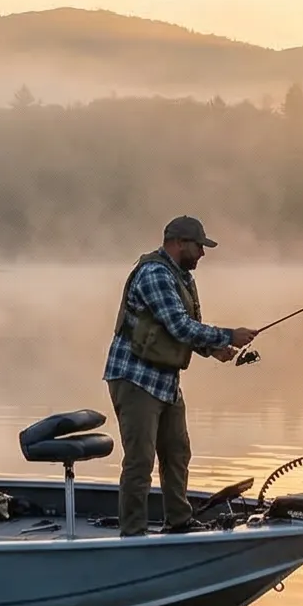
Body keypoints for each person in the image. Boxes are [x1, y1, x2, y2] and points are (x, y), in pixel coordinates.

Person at [103, 216, 257, 537]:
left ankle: (179, 522)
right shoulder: (155, 274)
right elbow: (179, 325)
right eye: (199, 246)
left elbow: (180, 332)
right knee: (140, 462)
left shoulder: (182, 277)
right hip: (135, 379)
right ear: (178, 243)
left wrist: (213, 350)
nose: (202, 253)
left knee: (177, 452)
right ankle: (132, 533)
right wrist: (228, 334)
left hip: (165, 381)